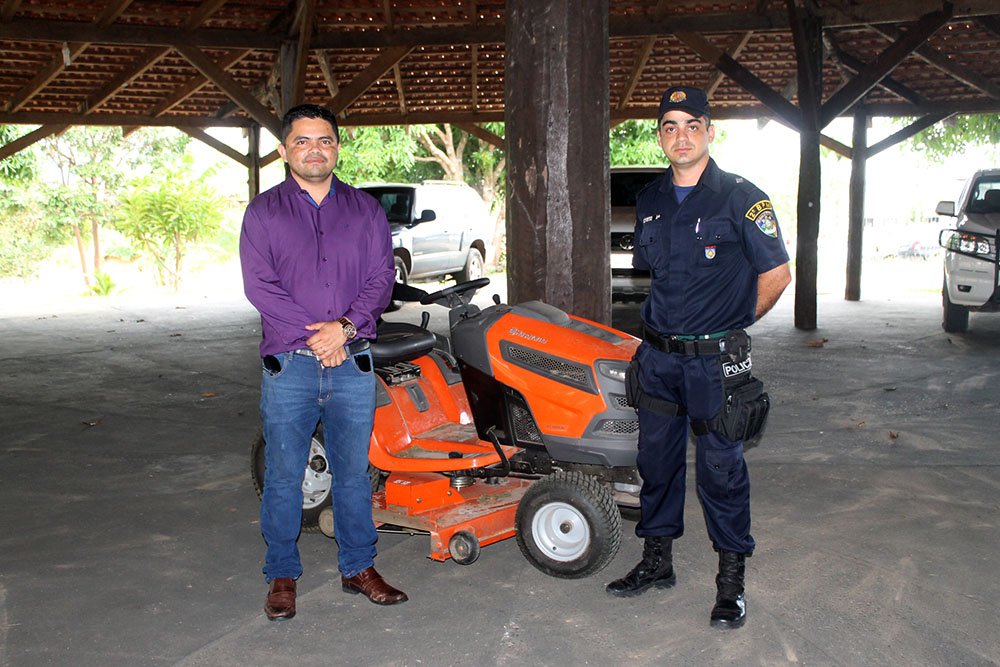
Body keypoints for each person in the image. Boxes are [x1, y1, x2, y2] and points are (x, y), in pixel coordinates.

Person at [606, 86, 791, 630]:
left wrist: (734, 325)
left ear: (710, 131)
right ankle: (657, 561)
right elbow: (655, 276)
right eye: (670, 126)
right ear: (660, 136)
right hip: (659, 358)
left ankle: (731, 583)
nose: (681, 136)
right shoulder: (651, 199)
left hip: (714, 363)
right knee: (656, 464)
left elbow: (778, 274)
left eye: (692, 125)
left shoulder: (741, 198)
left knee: (721, 470)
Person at [240, 103, 405, 621]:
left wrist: (344, 329)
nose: (315, 150)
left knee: (354, 474)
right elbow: (260, 286)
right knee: (284, 475)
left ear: (337, 146)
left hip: (352, 362)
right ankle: (281, 574)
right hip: (289, 366)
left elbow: (381, 279)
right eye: (302, 141)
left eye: (324, 140)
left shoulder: (365, 210)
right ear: (284, 149)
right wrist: (320, 337)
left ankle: (359, 567)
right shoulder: (263, 213)